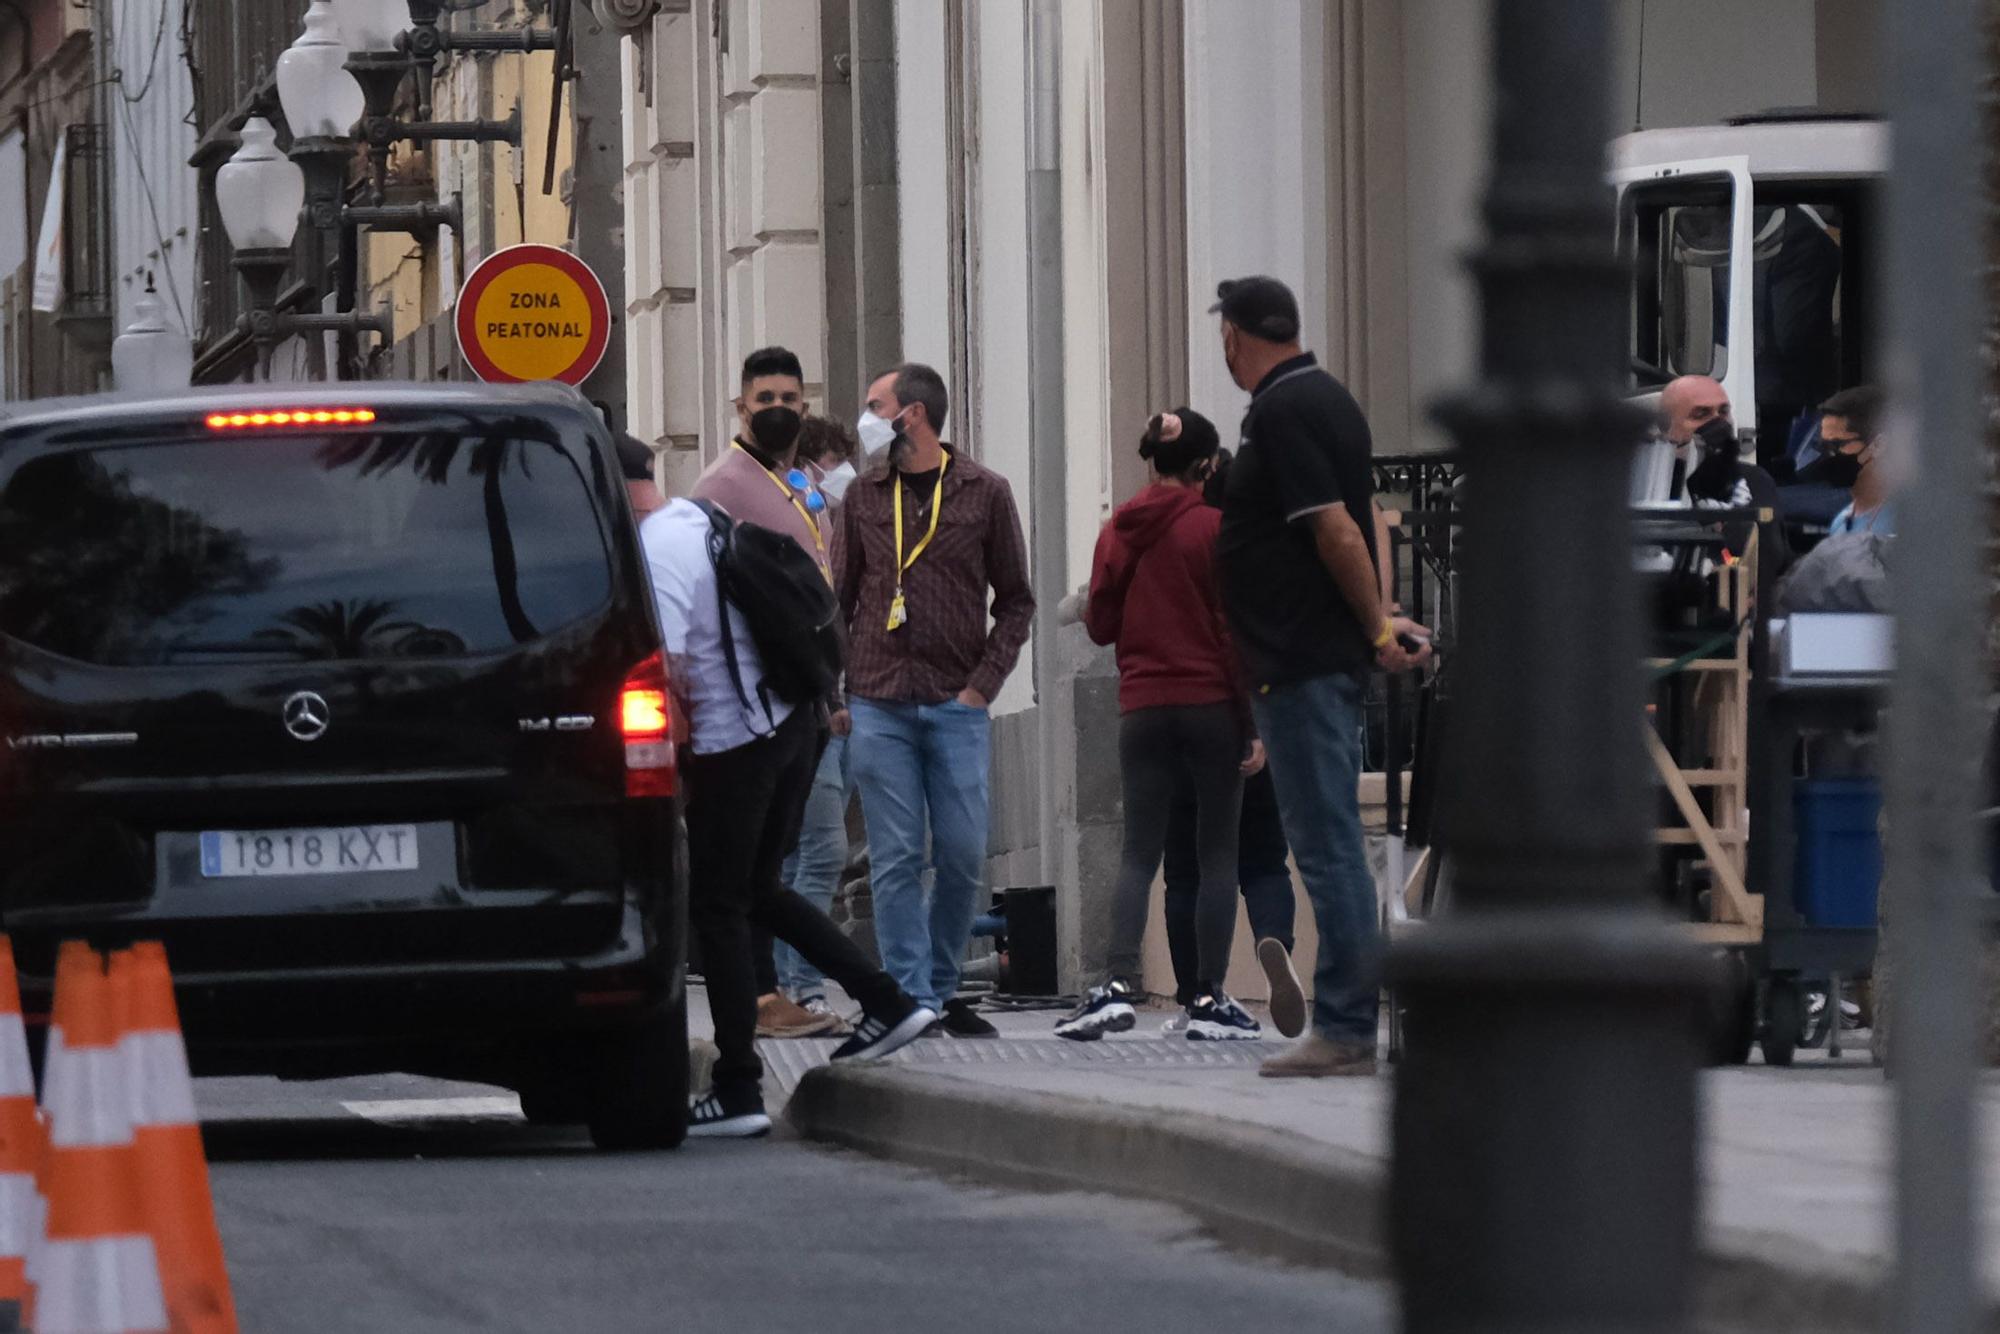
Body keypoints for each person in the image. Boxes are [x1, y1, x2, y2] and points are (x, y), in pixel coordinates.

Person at [642, 496, 935, 1137]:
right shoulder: (703, 518)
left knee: (717, 907)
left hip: (736, 742)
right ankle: (887, 1001)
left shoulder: (658, 544)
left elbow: (669, 668)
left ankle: (738, 1090)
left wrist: (675, 770)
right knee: (758, 890)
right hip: (792, 727)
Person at [1208, 275, 1430, 1079]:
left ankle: (1343, 1026)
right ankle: (1348, 1022)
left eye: (1223, 337)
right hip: (1313, 651)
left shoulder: (1283, 408)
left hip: (1297, 662)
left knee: (1329, 846)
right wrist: (1381, 617)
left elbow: (1336, 529)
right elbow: (1364, 516)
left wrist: (1373, 624)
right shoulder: (1330, 398)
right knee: (1333, 842)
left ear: (1234, 335)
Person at [834, 363, 1035, 1038]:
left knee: (960, 852)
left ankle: (942, 984)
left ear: (912, 414)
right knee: (894, 856)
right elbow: (839, 599)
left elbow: (1016, 601)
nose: (865, 416)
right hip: (877, 699)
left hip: (956, 701)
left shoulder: (985, 492)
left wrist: (984, 685)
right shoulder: (863, 497)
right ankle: (910, 995)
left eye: (874, 404)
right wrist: (837, 689)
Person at [1055, 409, 1265, 1042]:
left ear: (1152, 461)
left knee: (1138, 850)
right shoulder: (1217, 531)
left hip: (1142, 706)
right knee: (1216, 853)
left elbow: (1098, 624)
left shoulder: (1118, 528)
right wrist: (1251, 721)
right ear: (1207, 466)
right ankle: (1208, 998)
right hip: (1209, 708)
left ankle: (1116, 984)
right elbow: (1235, 634)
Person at [689, 347, 844, 1040]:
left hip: (810, 693)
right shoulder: (720, 486)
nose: (778, 409)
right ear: (740, 407)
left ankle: (777, 991)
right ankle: (761, 995)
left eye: (790, 398)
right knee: (765, 861)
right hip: (759, 702)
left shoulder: (803, 482)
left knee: (784, 853)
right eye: (764, 399)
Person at [775, 416, 866, 1027]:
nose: (843, 474)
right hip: (817, 708)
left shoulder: (832, 528)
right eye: (834, 461)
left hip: (838, 703)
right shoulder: (799, 524)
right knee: (822, 850)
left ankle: (787, 983)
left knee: (795, 858)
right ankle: (802, 985)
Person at [1814, 385, 1895, 536]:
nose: (1830, 454)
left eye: (1837, 444)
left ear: (1878, 445)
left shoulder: (1906, 522)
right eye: (1823, 446)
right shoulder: (1842, 521)